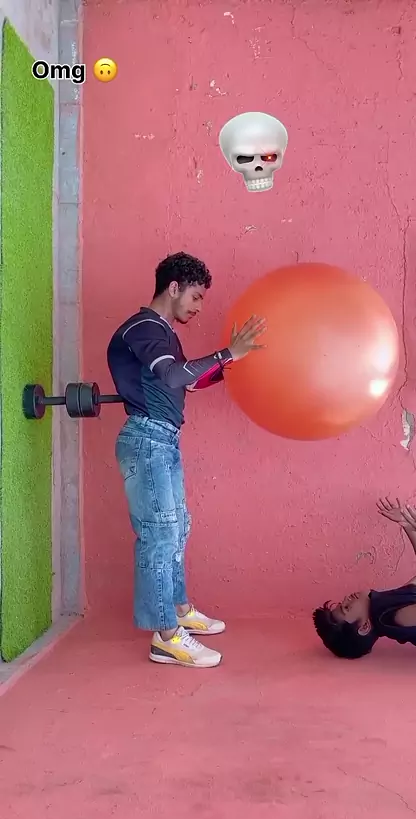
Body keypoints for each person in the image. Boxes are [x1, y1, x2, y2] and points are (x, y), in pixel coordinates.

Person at [107, 252, 265, 668]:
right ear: (173, 287)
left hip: (163, 440)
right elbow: (174, 375)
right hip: (147, 439)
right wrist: (227, 353)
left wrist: (233, 362)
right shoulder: (143, 327)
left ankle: (178, 610)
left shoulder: (163, 333)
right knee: (160, 536)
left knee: (177, 530)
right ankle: (166, 638)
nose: (198, 307)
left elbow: (186, 384)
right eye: (195, 297)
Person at [313, 497, 416, 662]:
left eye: (342, 603)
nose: (346, 599)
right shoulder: (398, 618)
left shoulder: (387, 604)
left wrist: (407, 524)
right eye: (346, 608)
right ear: (364, 626)